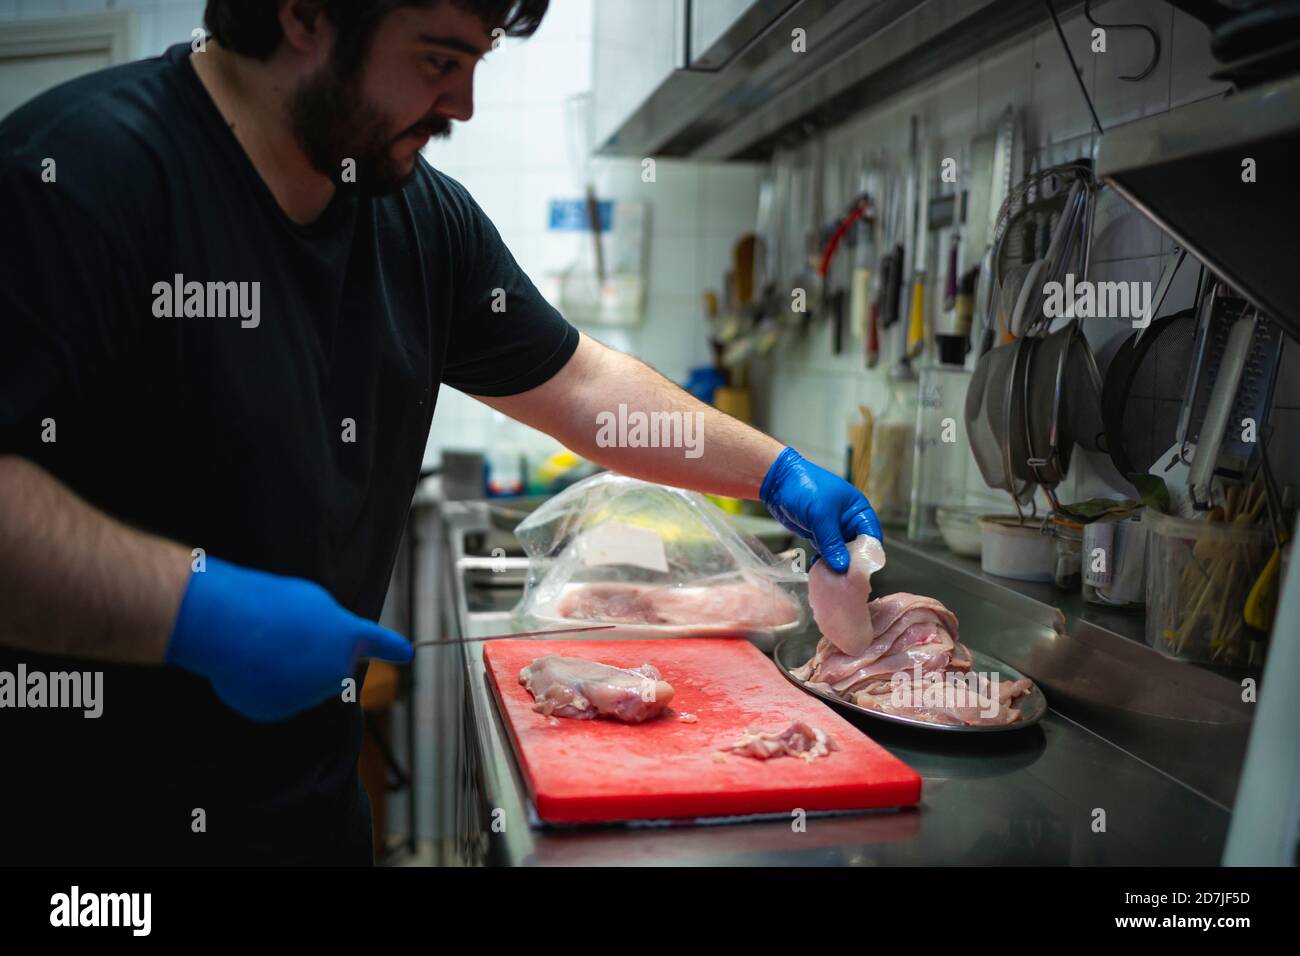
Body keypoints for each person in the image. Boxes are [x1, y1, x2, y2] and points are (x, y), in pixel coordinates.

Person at [0, 0, 880, 865]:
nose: (462, 105)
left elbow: (577, 384)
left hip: (309, 816)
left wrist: (777, 473)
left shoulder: (419, 218)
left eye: (473, 65)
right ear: (305, 15)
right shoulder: (77, 175)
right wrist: (192, 611)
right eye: (436, 61)